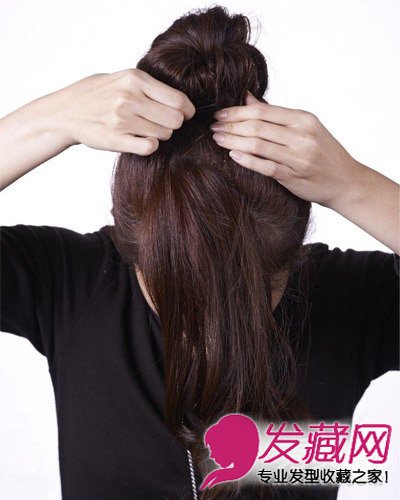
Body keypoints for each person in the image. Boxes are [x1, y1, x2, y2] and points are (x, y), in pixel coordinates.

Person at [0, 5, 398, 500]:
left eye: (246, 293)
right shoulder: (69, 284)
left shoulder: (349, 300)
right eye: (177, 289)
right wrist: (45, 122)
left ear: (294, 257)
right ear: (132, 250)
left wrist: (354, 186)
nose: (211, 318)